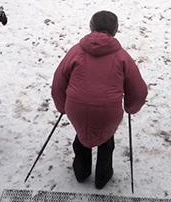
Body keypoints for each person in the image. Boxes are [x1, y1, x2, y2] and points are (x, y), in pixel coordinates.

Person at [51, 11, 147, 189]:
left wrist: (62, 106)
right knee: (106, 140)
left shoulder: (76, 51)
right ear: (116, 30)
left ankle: (81, 171)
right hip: (108, 113)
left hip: (76, 109)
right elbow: (139, 90)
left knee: (82, 135)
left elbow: (58, 81)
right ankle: (102, 176)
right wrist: (131, 107)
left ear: (91, 27)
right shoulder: (122, 56)